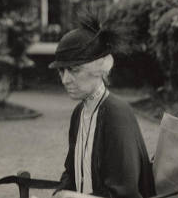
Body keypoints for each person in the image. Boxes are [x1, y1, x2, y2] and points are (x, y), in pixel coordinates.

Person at [50, 12, 155, 198]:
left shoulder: (116, 113)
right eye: (61, 71)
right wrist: (59, 193)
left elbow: (126, 194)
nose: (65, 79)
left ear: (99, 69)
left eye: (74, 70)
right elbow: (71, 173)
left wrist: (70, 197)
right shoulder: (80, 112)